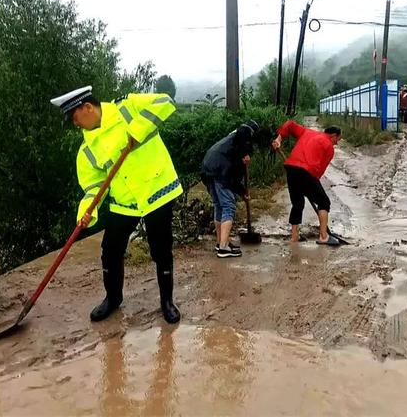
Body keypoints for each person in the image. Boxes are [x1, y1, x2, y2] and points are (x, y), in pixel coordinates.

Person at [51, 86, 183, 323]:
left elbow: (165, 100)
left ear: (87, 107)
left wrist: (138, 129)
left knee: (161, 248)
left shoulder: (127, 107)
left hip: (156, 188)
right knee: (110, 248)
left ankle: (167, 301)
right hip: (125, 200)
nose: (75, 124)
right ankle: (113, 298)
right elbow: (94, 186)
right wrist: (86, 211)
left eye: (75, 117)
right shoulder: (87, 149)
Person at [271, 121, 341, 245]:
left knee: (297, 203)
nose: (337, 142)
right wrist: (310, 187)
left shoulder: (307, 132)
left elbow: (290, 125)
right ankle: (324, 236)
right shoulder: (329, 146)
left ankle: (294, 237)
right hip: (307, 172)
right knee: (324, 202)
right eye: (338, 139)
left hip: (291, 168)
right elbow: (319, 171)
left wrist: (279, 139)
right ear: (334, 135)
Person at [201, 120, 259, 258]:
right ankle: (223, 248)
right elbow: (231, 178)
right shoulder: (242, 139)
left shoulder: (232, 141)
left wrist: (242, 191)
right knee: (228, 206)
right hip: (220, 171)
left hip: (207, 168)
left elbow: (234, 177)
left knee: (219, 206)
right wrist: (243, 191)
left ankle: (221, 241)